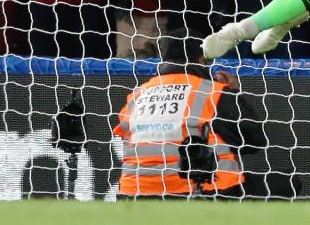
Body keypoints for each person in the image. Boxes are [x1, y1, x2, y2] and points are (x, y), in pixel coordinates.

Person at [113, 33, 266, 198]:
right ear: (201, 60)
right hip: (202, 191)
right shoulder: (213, 91)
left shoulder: (136, 95)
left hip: (133, 193)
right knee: (283, 183)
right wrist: (233, 93)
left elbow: (125, 139)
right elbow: (254, 141)